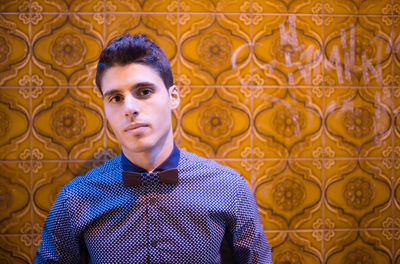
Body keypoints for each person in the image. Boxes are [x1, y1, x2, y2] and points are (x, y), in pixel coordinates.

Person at [34, 33, 273, 264]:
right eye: (116, 98)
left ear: (174, 97)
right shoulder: (75, 199)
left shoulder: (228, 188)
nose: (129, 108)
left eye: (144, 92)